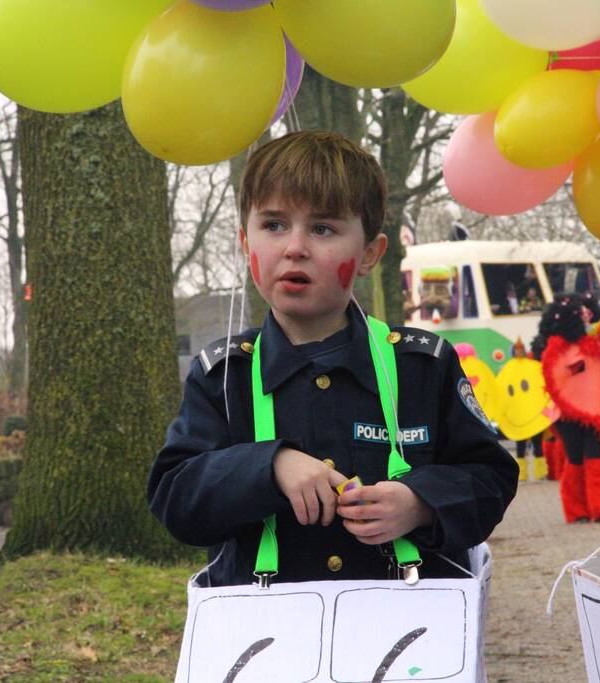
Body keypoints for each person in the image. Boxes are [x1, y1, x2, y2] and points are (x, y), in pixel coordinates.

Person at [147, 131, 518, 587]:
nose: (295, 247)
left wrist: (420, 503)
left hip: (408, 636)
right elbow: (175, 497)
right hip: (267, 640)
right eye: (274, 225)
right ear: (246, 244)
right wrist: (269, 466)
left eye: (322, 228)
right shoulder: (225, 376)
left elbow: (490, 479)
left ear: (369, 255)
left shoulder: (422, 365)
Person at [539, 294, 600, 523]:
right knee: (575, 458)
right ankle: (576, 510)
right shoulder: (555, 349)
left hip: (593, 411)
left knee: (594, 455)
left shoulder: (595, 343)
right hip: (568, 413)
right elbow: (554, 378)